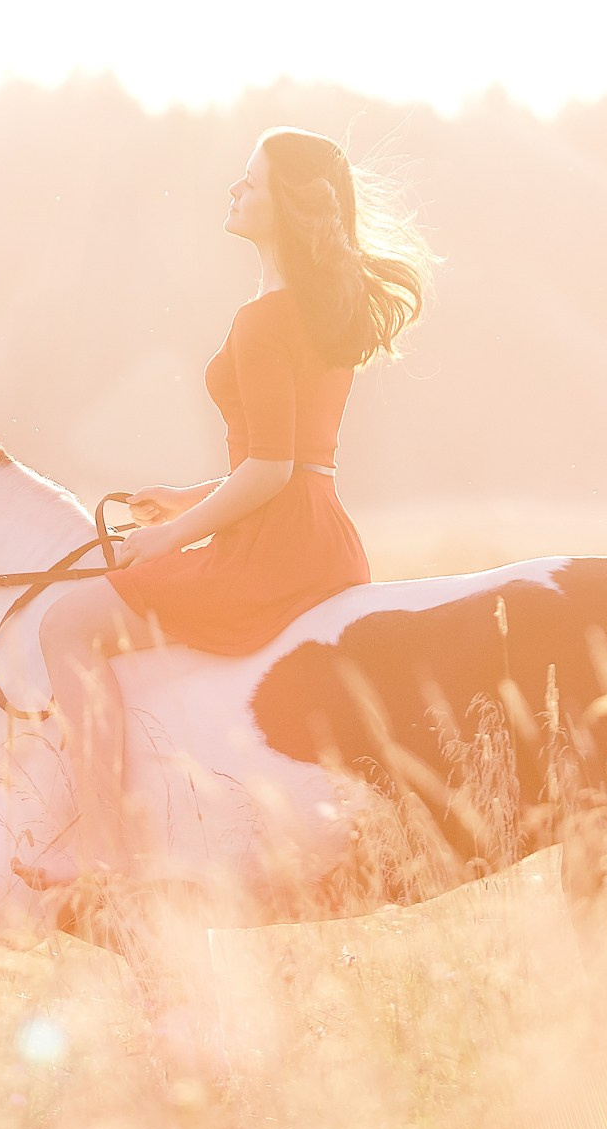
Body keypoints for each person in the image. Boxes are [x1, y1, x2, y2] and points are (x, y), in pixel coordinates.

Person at [35, 126, 434, 871]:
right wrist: (187, 494)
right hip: (320, 536)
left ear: (281, 206)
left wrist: (171, 535)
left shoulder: (262, 321)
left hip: (272, 548)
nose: (234, 190)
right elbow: (292, 462)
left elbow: (272, 471)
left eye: (249, 184)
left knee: (65, 626)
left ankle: (103, 842)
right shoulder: (316, 309)